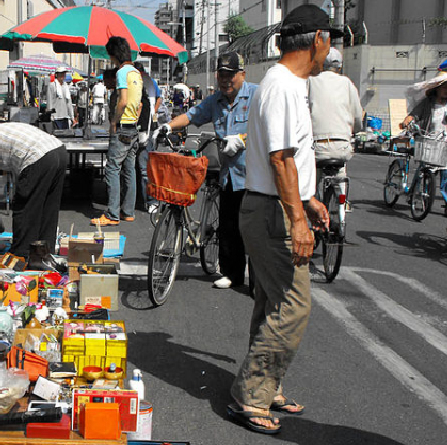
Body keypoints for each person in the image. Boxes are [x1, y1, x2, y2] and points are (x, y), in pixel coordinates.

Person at [228, 4, 334, 434]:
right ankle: (250, 395)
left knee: (273, 303)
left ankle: (265, 386)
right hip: (272, 213)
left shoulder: (285, 84)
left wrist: (307, 200)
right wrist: (297, 219)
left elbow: (287, 157)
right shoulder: (283, 86)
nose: (330, 49)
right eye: (330, 40)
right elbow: (280, 159)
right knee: (292, 305)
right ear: (318, 40)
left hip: (273, 206)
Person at [155, 51, 258, 290]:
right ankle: (231, 273)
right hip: (229, 174)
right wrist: (167, 126)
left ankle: (258, 280)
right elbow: (191, 116)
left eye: (231, 75)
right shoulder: (215, 101)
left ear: (242, 74)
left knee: (253, 230)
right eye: (222, 75)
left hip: (254, 175)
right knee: (229, 226)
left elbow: (268, 126)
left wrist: (243, 139)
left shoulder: (256, 95)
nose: (226, 80)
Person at [0, 123, 67, 258]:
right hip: (59, 151)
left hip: (38, 156)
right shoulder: (4, 129)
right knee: (48, 207)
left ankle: (22, 253)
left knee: (25, 208)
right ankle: (45, 253)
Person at [91, 36, 143, 226]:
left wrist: (114, 121)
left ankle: (112, 214)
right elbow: (139, 105)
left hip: (122, 128)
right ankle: (128, 211)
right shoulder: (136, 73)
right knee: (129, 170)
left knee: (112, 169)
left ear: (115, 55)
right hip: (133, 128)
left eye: (111, 56)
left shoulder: (122, 72)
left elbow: (122, 101)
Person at [308, 47, 363, 200]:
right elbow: (357, 114)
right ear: (339, 66)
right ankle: (341, 204)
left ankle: (313, 201)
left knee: (312, 181)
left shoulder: (310, 81)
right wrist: (356, 129)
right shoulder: (347, 83)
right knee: (341, 172)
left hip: (316, 145)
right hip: (341, 145)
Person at [401, 70, 447, 215]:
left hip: (444, 143)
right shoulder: (427, 103)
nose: (446, 90)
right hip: (428, 141)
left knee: (446, 174)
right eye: (444, 87)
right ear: (436, 88)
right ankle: (417, 192)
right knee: (424, 169)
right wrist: (407, 121)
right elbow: (414, 115)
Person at [134, 62, 162, 212]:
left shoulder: (139, 80)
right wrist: (154, 112)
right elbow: (158, 98)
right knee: (144, 165)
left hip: (145, 127)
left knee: (143, 165)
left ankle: (151, 200)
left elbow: (140, 106)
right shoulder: (150, 80)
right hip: (149, 124)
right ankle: (145, 199)